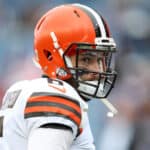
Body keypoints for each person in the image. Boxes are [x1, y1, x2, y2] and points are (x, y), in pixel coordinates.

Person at [0, 3, 117, 150]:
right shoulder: (57, 96)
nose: (98, 69)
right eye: (86, 59)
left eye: (102, 59)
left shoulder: (20, 90)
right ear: (50, 56)